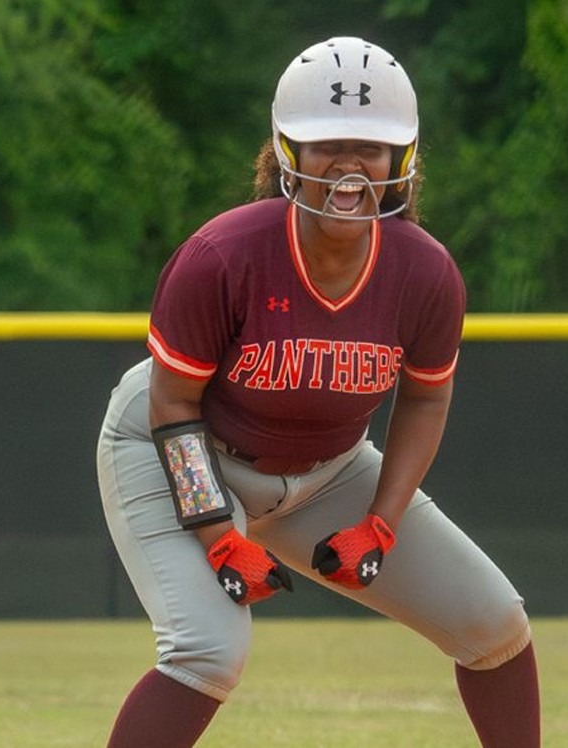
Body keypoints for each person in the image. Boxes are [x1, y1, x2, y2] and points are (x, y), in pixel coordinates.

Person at [96, 36, 540, 747]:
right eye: (327, 142)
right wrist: (216, 535)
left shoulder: (425, 272)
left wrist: (383, 521)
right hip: (177, 447)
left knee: (494, 623)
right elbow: (173, 405)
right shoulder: (223, 255)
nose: (348, 165)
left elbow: (424, 400)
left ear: (404, 158)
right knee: (207, 651)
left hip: (329, 468)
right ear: (286, 152)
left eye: (371, 146)